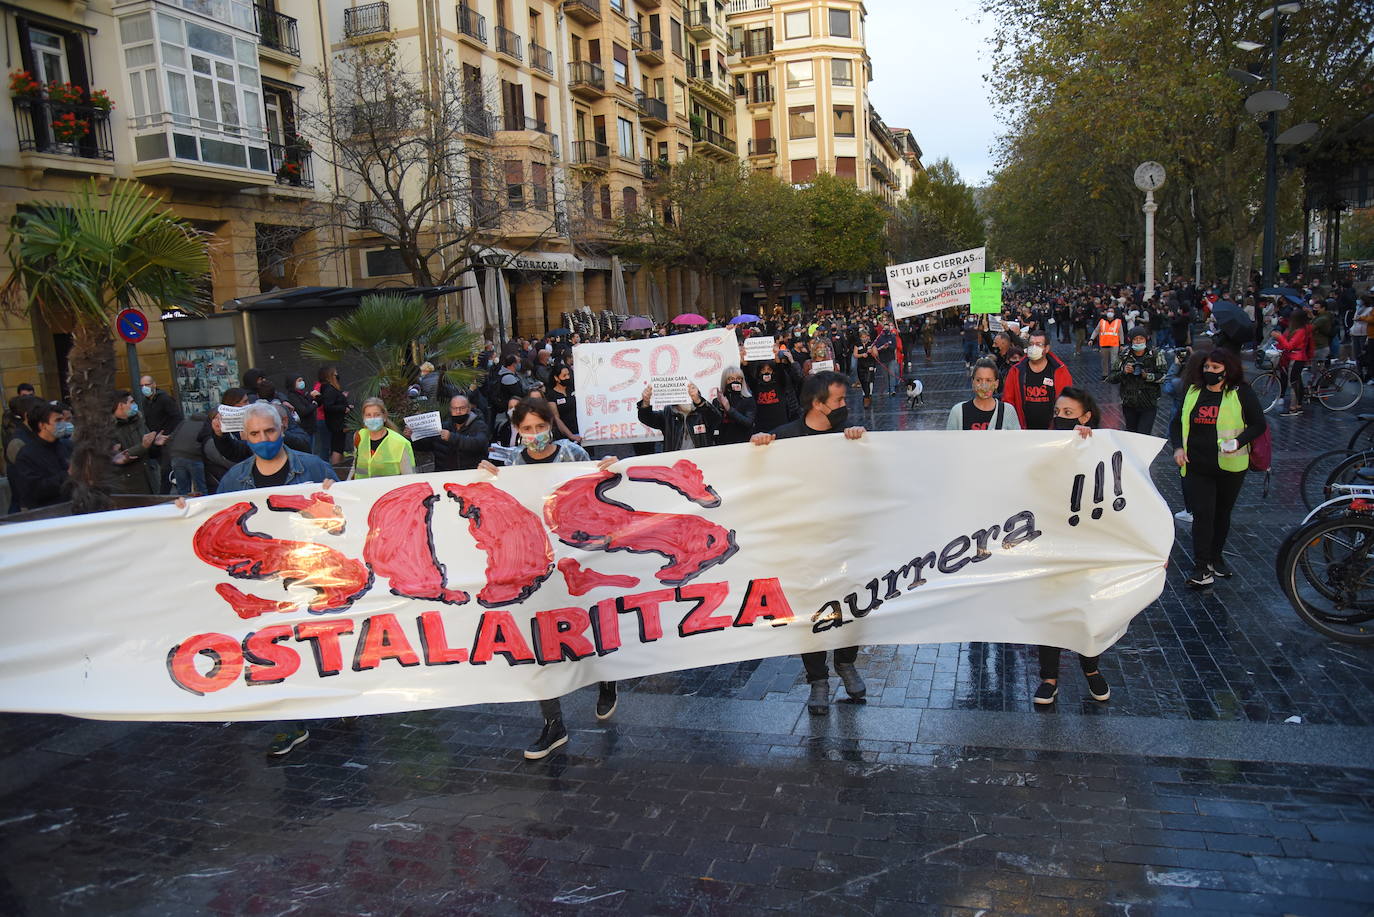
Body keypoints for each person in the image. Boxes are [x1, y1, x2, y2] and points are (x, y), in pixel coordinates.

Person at [477, 399, 617, 760]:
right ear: (517, 430)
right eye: (527, 429)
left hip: (575, 557)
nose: (534, 435)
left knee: (589, 625)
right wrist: (483, 476)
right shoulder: (510, 462)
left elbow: (595, 485)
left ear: (551, 425)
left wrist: (608, 468)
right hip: (533, 563)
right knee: (539, 639)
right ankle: (553, 724)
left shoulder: (571, 453)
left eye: (540, 427)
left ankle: (607, 678)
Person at [212, 401, 339, 755]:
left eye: (269, 431)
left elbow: (343, 516)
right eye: (255, 434)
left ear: (282, 429)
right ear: (244, 436)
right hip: (265, 581)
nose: (263, 439)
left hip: (313, 571)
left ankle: (341, 702)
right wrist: (185, 512)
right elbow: (217, 521)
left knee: (322, 640)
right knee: (276, 646)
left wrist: (334, 495)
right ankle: (290, 723)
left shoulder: (313, 467)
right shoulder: (233, 479)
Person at [750, 371, 867, 715]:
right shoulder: (785, 438)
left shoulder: (847, 436)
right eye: (839, 400)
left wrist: (861, 444)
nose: (845, 406)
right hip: (803, 544)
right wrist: (757, 448)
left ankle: (846, 661)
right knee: (809, 611)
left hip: (844, 539)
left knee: (854, 603)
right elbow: (756, 476)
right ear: (817, 404)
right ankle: (817, 680)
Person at [1032, 388, 1111, 703]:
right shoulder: (1045, 446)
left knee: (1086, 608)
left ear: (1086, 417)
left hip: (1085, 543)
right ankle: (1049, 677)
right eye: (1058, 412)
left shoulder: (1100, 446)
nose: (1060, 418)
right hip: (1049, 540)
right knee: (1049, 608)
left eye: (1069, 413)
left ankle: (1091, 669)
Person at [1169, 348, 1267, 589]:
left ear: (1227, 369)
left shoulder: (1241, 392)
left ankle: (1215, 557)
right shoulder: (1193, 391)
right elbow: (1176, 423)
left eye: (1215, 367)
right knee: (1203, 514)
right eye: (1206, 367)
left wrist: (1238, 442)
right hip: (1196, 465)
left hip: (1230, 466)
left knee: (1222, 514)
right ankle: (1201, 567)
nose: (1209, 371)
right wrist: (1178, 448)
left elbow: (1258, 424)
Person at [1002, 330, 1073, 430]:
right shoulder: (1016, 371)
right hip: (1023, 430)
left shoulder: (1060, 371)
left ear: (1046, 348)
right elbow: (1008, 400)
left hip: (1052, 430)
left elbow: (1068, 400)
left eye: (1039, 344)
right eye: (1031, 344)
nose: (1034, 348)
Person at [10, 401, 72, 509]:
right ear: (42, 425)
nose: (64, 423)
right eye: (58, 420)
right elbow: (33, 489)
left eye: (64, 419)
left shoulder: (66, 446)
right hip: (47, 512)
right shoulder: (26, 455)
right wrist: (68, 475)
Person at [1107, 328, 1168, 434]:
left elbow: (1165, 376)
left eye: (1141, 338)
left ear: (1146, 339)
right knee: (1131, 434)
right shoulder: (1124, 355)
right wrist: (1124, 372)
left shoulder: (1155, 354)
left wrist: (1147, 376)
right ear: (1131, 340)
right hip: (1129, 404)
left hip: (1149, 403)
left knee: (1144, 434)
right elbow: (1111, 378)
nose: (1138, 341)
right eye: (1135, 339)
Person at [109, 391, 164, 495]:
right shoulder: (109, 429)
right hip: (130, 485)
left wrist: (155, 444)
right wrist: (143, 446)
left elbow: (151, 453)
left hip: (150, 480)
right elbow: (117, 457)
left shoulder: (138, 421)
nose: (135, 405)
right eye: (131, 402)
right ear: (121, 405)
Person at [350, 398, 416, 479]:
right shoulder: (359, 436)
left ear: (384, 417)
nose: (372, 419)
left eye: (377, 415)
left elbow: (408, 476)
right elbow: (355, 466)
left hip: (390, 486)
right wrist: (347, 483)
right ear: (363, 418)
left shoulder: (400, 443)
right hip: (361, 486)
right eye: (368, 415)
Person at [638, 381, 715, 450]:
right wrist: (645, 403)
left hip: (701, 458)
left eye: (691, 391)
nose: (687, 395)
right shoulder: (668, 413)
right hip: (675, 459)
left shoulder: (703, 411)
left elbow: (716, 419)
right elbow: (646, 418)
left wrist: (699, 401)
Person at [946, 360, 1021, 431]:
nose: (983, 385)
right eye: (978, 380)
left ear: (996, 384)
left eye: (988, 380)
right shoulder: (958, 412)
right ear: (973, 382)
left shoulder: (1008, 411)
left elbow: (1016, 438)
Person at [1272, 308, 1313, 416]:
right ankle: (1298, 405)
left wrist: (1280, 337)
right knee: (1297, 382)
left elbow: (1289, 346)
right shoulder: (1304, 328)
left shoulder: (1300, 331)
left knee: (1293, 383)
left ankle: (1293, 408)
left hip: (1296, 358)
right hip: (1299, 357)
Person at [433, 394, 489, 471]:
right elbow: (427, 444)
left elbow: (479, 443)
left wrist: (451, 437)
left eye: (462, 408)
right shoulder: (444, 426)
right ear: (450, 409)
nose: (458, 411)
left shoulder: (479, 425)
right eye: (454, 408)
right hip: (445, 473)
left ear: (469, 409)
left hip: (471, 472)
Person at [711, 366, 757, 445]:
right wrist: (721, 408)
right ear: (725, 381)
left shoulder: (748, 399)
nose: (735, 381)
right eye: (731, 379)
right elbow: (714, 426)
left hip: (744, 443)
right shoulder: (717, 401)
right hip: (723, 445)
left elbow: (748, 423)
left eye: (738, 378)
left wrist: (729, 409)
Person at [317, 366, 349, 464]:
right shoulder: (329, 390)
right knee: (337, 447)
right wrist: (343, 408)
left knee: (339, 446)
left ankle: (340, 466)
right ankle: (336, 467)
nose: (337, 376)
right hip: (337, 423)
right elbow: (328, 406)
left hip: (338, 422)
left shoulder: (330, 389)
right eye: (335, 374)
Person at [1091, 306, 1124, 380]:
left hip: (1114, 344)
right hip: (1104, 344)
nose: (1110, 313)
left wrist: (1122, 344)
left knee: (1114, 361)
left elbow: (1121, 334)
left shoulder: (1118, 322)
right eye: (1109, 311)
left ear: (1114, 313)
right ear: (1106, 313)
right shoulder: (1102, 321)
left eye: (1112, 311)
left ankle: (1113, 375)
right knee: (1104, 361)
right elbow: (1096, 331)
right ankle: (1105, 375)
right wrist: (1091, 339)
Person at [852, 329, 879, 407]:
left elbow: (876, 354)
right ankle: (867, 395)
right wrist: (862, 355)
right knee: (863, 381)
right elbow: (855, 354)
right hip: (861, 365)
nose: (864, 338)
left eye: (865, 337)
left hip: (870, 364)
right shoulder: (857, 344)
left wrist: (871, 352)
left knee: (868, 380)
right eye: (862, 337)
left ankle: (867, 397)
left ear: (868, 337)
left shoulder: (872, 344)